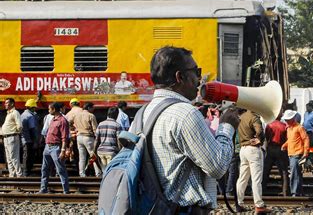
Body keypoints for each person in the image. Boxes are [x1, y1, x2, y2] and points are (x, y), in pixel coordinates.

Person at [135, 46, 239, 214]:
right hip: (183, 210)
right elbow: (218, 167)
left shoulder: (142, 114)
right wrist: (227, 126)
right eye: (196, 72)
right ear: (180, 76)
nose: (199, 79)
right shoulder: (185, 113)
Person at [235, 109, 270, 213]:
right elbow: (259, 131)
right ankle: (259, 205)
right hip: (253, 150)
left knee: (242, 178)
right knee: (256, 179)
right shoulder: (254, 117)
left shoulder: (241, 117)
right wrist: (260, 139)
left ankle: (239, 203)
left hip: (243, 149)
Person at [39, 102, 70, 194]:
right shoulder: (52, 119)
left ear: (54, 109)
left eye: (49, 109)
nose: (48, 111)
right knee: (44, 169)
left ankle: (66, 190)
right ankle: (43, 188)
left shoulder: (62, 121)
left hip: (56, 147)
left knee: (60, 169)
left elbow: (64, 137)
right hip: (47, 147)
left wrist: (63, 150)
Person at [281, 109, 309, 197]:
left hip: (297, 154)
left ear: (292, 118)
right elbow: (291, 140)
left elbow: (306, 139)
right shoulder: (289, 128)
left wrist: (305, 153)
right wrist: (285, 145)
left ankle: (295, 192)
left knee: (294, 174)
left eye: (287, 120)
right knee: (297, 173)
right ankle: (298, 192)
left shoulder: (299, 127)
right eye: (285, 120)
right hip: (292, 154)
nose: (286, 121)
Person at [262, 112, 289, 196]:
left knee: (266, 170)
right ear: (280, 116)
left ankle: (262, 190)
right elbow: (286, 138)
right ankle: (285, 191)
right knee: (283, 171)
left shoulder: (269, 125)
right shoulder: (284, 126)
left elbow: (266, 137)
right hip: (280, 149)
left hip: (270, 148)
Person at [75, 102, 101, 177]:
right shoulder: (91, 115)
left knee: (82, 157)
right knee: (93, 155)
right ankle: (98, 173)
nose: (93, 109)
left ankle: (82, 173)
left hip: (79, 137)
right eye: (93, 107)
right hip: (88, 137)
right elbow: (95, 129)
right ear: (89, 108)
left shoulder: (77, 115)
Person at [94, 107, 121, 171]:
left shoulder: (100, 124)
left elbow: (96, 140)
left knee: (104, 171)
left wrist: (94, 151)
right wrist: (120, 151)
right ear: (116, 115)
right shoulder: (117, 125)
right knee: (110, 171)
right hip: (111, 152)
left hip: (101, 152)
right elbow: (119, 140)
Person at [2, 98, 23, 177]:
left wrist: (15, 133)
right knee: (9, 159)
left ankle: (19, 175)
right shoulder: (9, 113)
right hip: (6, 137)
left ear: (12, 104)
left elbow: (20, 126)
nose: (5, 104)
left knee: (14, 158)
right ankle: (12, 175)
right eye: (5, 103)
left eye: (7, 103)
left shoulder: (15, 112)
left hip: (12, 137)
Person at [20, 99, 39, 176]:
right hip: (29, 139)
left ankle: (26, 171)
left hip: (23, 138)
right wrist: (35, 141)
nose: (35, 109)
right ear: (32, 107)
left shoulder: (22, 115)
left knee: (25, 155)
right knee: (28, 156)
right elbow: (32, 129)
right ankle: (26, 172)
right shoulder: (30, 116)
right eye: (34, 107)